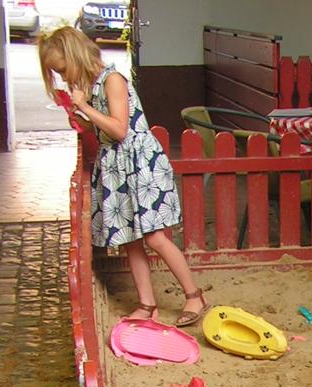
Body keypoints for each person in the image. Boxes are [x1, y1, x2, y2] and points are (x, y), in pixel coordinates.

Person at [38, 27, 209, 327]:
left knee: (155, 237)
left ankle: (194, 295)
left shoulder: (112, 80)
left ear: (75, 57)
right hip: (116, 165)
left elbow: (119, 129)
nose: (64, 79)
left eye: (63, 70)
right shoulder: (92, 85)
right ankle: (147, 304)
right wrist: (82, 118)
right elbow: (103, 129)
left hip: (139, 164)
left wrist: (84, 107)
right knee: (130, 240)